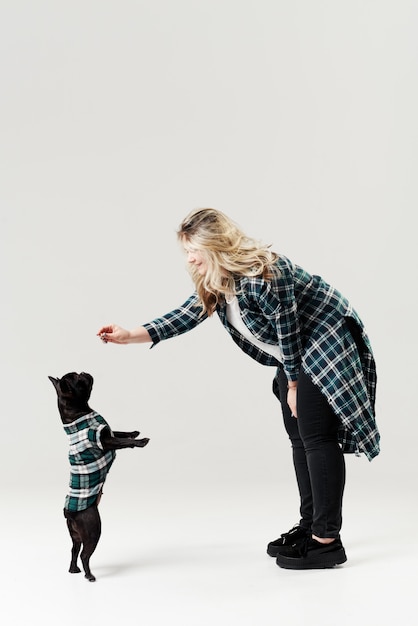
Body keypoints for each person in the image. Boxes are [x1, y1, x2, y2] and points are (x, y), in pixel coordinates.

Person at [97, 208, 379, 570]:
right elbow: (187, 314)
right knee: (299, 437)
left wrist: (293, 383)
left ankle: (326, 541)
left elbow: (289, 328)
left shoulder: (264, 274)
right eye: (186, 251)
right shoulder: (219, 281)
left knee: (316, 436)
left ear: (214, 246)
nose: (190, 258)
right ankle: (311, 526)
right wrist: (131, 334)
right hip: (294, 353)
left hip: (323, 341)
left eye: (193, 250)